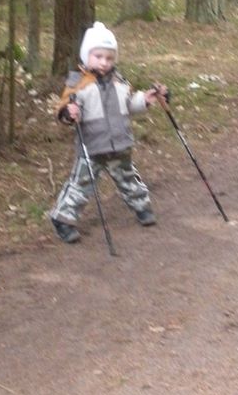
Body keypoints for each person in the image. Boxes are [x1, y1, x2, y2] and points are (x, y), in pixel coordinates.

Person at [49, 21, 167, 244]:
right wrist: (68, 112)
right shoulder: (78, 83)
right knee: (80, 185)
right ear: (86, 55)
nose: (104, 62)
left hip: (119, 143)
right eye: (98, 56)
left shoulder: (119, 81)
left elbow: (129, 104)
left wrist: (145, 99)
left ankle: (142, 207)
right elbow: (64, 107)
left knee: (128, 178)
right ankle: (62, 218)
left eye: (109, 58)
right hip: (92, 147)